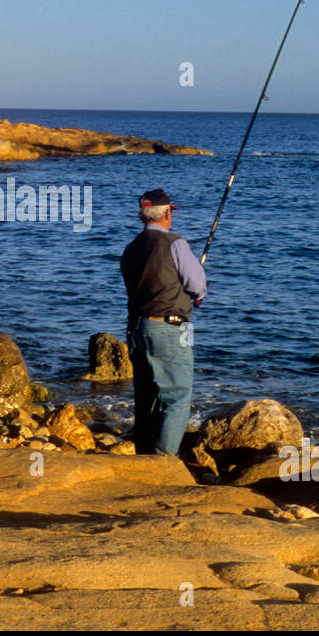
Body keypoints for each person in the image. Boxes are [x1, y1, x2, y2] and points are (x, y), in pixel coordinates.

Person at [119, 188, 207, 456]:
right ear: (167, 213)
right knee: (177, 397)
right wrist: (199, 294)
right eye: (171, 212)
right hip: (168, 329)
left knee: (146, 399)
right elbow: (197, 284)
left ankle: (144, 456)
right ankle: (164, 461)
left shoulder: (130, 248)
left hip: (136, 329)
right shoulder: (175, 243)